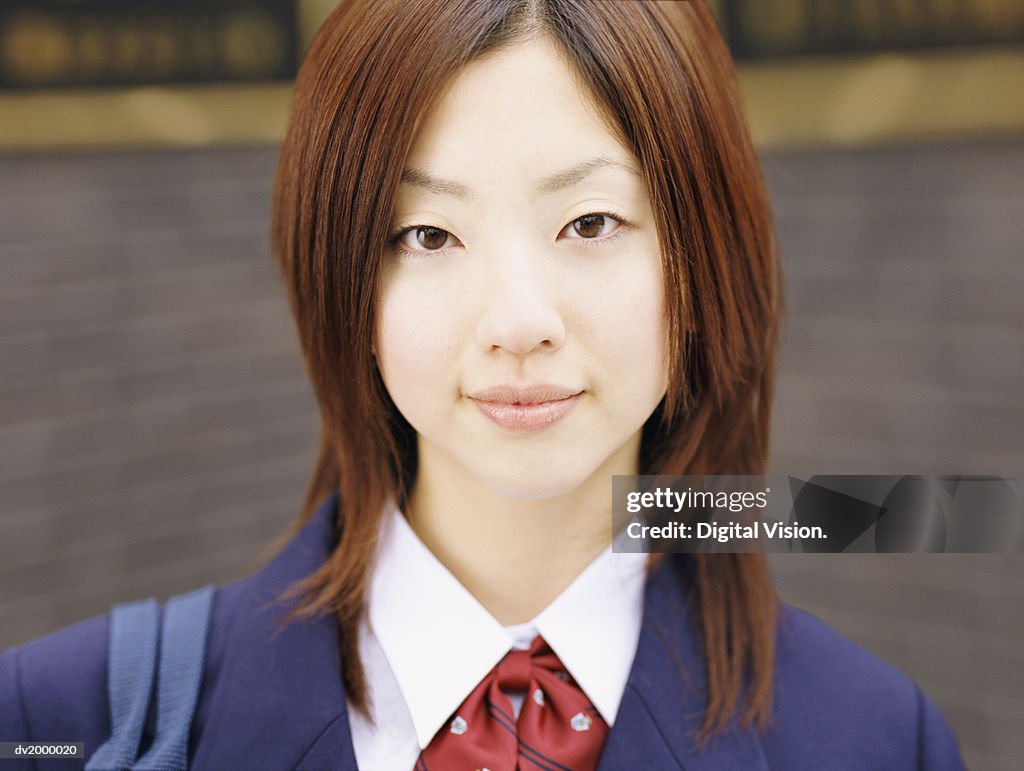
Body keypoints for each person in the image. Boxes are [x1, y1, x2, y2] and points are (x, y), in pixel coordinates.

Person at [1, 1, 967, 769]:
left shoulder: (876, 737)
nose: (516, 324)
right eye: (428, 235)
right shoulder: (67, 723)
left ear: (701, 258)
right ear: (344, 283)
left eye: (590, 224)